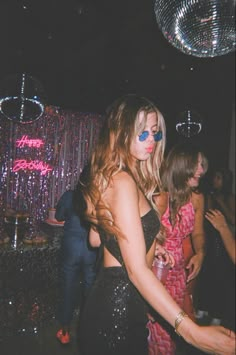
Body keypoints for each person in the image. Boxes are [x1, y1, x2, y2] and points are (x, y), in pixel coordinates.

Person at [78, 94, 235, 355]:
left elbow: (96, 239)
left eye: (155, 133)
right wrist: (192, 332)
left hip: (120, 300)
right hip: (119, 306)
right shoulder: (123, 181)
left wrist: (147, 244)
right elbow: (137, 270)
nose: (152, 140)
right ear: (121, 133)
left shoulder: (112, 176)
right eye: (143, 133)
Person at [147, 143, 208, 355]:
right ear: (181, 165)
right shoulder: (160, 196)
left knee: (174, 331)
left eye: (202, 164)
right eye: (197, 164)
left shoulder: (197, 197)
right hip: (157, 271)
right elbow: (144, 238)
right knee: (158, 334)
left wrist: (200, 253)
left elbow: (198, 233)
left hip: (179, 273)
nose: (202, 170)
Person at [55, 167, 98, 345]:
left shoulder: (70, 196)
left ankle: (65, 330)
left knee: (68, 287)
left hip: (71, 247)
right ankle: (87, 331)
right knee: (89, 288)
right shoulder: (97, 198)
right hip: (91, 248)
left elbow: (58, 216)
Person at [196, 167, 235, 331]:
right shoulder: (209, 195)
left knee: (222, 278)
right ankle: (205, 307)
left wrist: (220, 201)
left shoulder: (230, 197)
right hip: (214, 240)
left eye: (219, 177)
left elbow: (233, 220)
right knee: (208, 274)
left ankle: (218, 314)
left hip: (227, 242)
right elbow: (206, 217)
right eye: (215, 177)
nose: (215, 180)